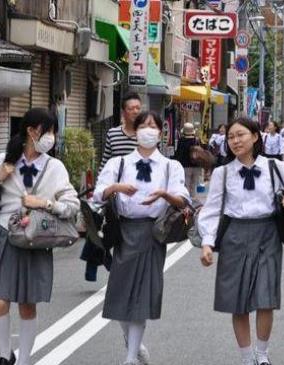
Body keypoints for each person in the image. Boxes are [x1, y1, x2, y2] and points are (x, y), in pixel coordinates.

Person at [198, 117, 284, 365]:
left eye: (241, 135)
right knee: (238, 302)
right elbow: (212, 210)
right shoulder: (222, 173)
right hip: (234, 236)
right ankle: (247, 358)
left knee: (265, 297)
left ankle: (263, 354)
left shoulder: (275, 166)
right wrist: (207, 243)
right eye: (231, 137)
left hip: (268, 233)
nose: (235, 141)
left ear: (255, 136)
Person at [0, 108, 80, 365]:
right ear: (32, 131)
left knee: (27, 303)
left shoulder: (54, 166)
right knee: (0, 300)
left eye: (54, 132)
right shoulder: (5, 159)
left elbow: (72, 204)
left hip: (36, 237)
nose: (52, 137)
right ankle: (4, 354)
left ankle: (23, 360)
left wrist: (44, 203)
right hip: (6, 234)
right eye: (49, 131)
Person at [94, 111, 189, 365]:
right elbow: (97, 194)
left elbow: (183, 199)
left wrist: (164, 195)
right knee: (119, 292)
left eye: (153, 126)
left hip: (153, 233)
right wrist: (116, 188)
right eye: (143, 126)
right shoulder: (119, 163)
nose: (148, 130)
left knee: (141, 295)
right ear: (134, 132)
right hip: (123, 232)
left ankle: (130, 357)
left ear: (160, 133)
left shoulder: (171, 166)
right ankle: (132, 342)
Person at [81, 91, 142, 282]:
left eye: (138, 108)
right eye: (131, 108)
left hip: (136, 194)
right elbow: (105, 161)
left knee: (124, 234)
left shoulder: (145, 136)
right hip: (114, 193)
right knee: (108, 229)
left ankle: (114, 266)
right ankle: (103, 262)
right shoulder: (113, 134)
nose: (135, 112)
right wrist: (100, 189)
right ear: (123, 112)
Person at [173, 123, 201, 198]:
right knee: (194, 184)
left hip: (185, 165)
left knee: (186, 184)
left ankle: (187, 200)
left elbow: (178, 154)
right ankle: (193, 198)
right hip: (196, 165)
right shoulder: (196, 140)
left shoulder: (181, 141)